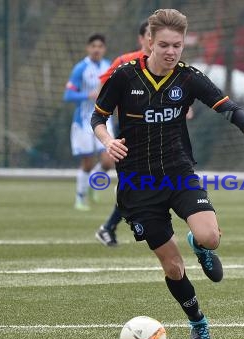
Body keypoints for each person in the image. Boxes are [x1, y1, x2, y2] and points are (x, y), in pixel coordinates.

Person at [91, 9, 244, 339]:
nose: (170, 51)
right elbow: (98, 116)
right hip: (138, 186)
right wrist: (108, 141)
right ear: (149, 42)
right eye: (164, 44)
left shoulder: (188, 78)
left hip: (178, 174)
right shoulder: (124, 77)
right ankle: (199, 321)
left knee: (210, 237)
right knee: (173, 267)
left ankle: (199, 244)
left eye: (177, 45)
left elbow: (232, 110)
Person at [95, 20, 151, 247]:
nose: (152, 38)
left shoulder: (167, 63)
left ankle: (112, 226)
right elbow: (103, 88)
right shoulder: (124, 61)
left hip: (158, 134)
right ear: (141, 38)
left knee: (145, 183)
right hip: (127, 132)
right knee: (136, 183)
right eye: (149, 34)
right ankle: (112, 226)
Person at [64, 33, 114, 211]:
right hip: (84, 122)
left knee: (109, 160)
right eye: (93, 46)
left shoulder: (109, 66)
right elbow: (68, 95)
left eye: (100, 46)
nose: (96, 49)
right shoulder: (80, 68)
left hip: (104, 120)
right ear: (88, 48)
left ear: (104, 49)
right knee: (87, 162)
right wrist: (87, 95)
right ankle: (80, 197)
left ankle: (94, 181)